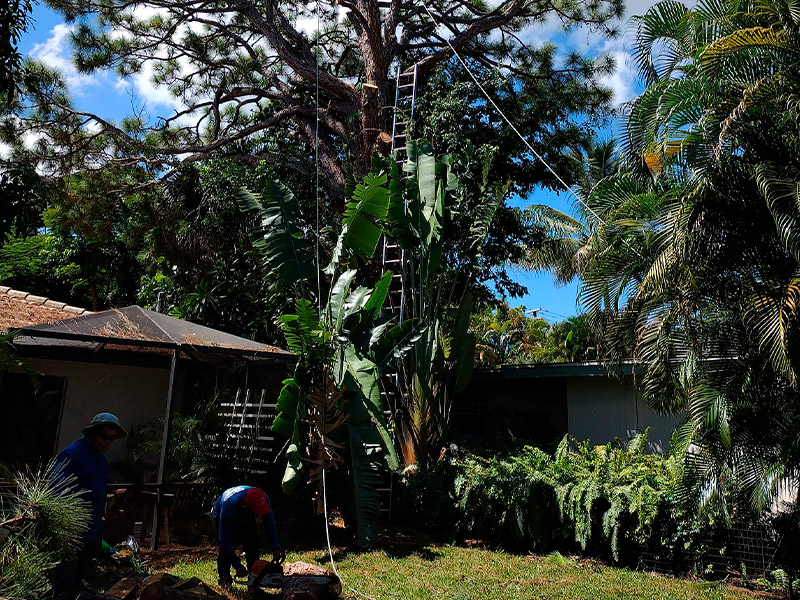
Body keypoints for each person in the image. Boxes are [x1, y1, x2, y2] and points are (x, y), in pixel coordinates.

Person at [52, 412, 126, 599]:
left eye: (112, 439)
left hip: (89, 533)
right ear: (92, 432)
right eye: (104, 436)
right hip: (70, 532)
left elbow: (98, 498)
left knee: (78, 584)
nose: (107, 442)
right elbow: (57, 492)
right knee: (64, 587)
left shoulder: (101, 461)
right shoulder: (71, 454)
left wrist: (97, 535)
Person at [212, 486, 281, 587]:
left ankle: (254, 582)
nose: (259, 516)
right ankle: (225, 581)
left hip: (244, 512)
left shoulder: (262, 498)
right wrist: (237, 565)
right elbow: (224, 540)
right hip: (222, 513)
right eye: (256, 513)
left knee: (252, 545)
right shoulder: (229, 507)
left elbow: (270, 522)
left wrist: (275, 547)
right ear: (246, 508)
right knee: (225, 551)